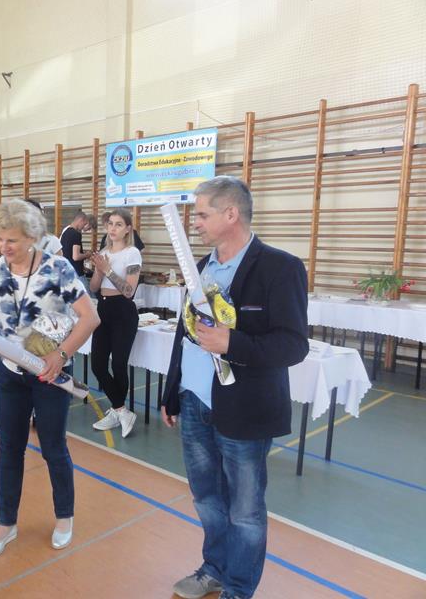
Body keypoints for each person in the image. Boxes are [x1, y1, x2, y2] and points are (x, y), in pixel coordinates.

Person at [160, 176, 308, 599]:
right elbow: (184, 333)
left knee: (244, 510)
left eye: (202, 214)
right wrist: (173, 392)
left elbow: (293, 345)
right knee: (207, 499)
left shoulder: (280, 268)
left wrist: (233, 343)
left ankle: (239, 589)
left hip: (245, 408)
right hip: (194, 402)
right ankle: (215, 569)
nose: (194, 222)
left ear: (231, 214)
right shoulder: (201, 267)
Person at [0, 199, 99, 558]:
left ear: (32, 237)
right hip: (10, 375)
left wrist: (60, 355)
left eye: (12, 240)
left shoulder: (57, 268)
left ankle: (64, 517)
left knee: (53, 448)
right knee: (9, 450)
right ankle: (6, 523)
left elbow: (89, 318)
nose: (4, 247)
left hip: (51, 374)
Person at [88, 208, 141, 438]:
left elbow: (129, 291)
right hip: (103, 308)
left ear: (127, 229)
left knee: (119, 364)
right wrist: (99, 272)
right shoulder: (103, 252)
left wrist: (108, 270)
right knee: (98, 364)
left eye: (118, 224)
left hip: (123, 311)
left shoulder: (132, 254)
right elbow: (93, 287)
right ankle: (120, 410)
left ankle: (118, 410)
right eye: (110, 223)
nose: (113, 228)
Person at [59, 211, 93, 281]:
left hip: (67, 271)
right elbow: (76, 257)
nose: (83, 227)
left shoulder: (65, 232)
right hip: (76, 272)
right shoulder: (76, 234)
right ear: (81, 220)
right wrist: (87, 255)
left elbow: (67, 253)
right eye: (84, 224)